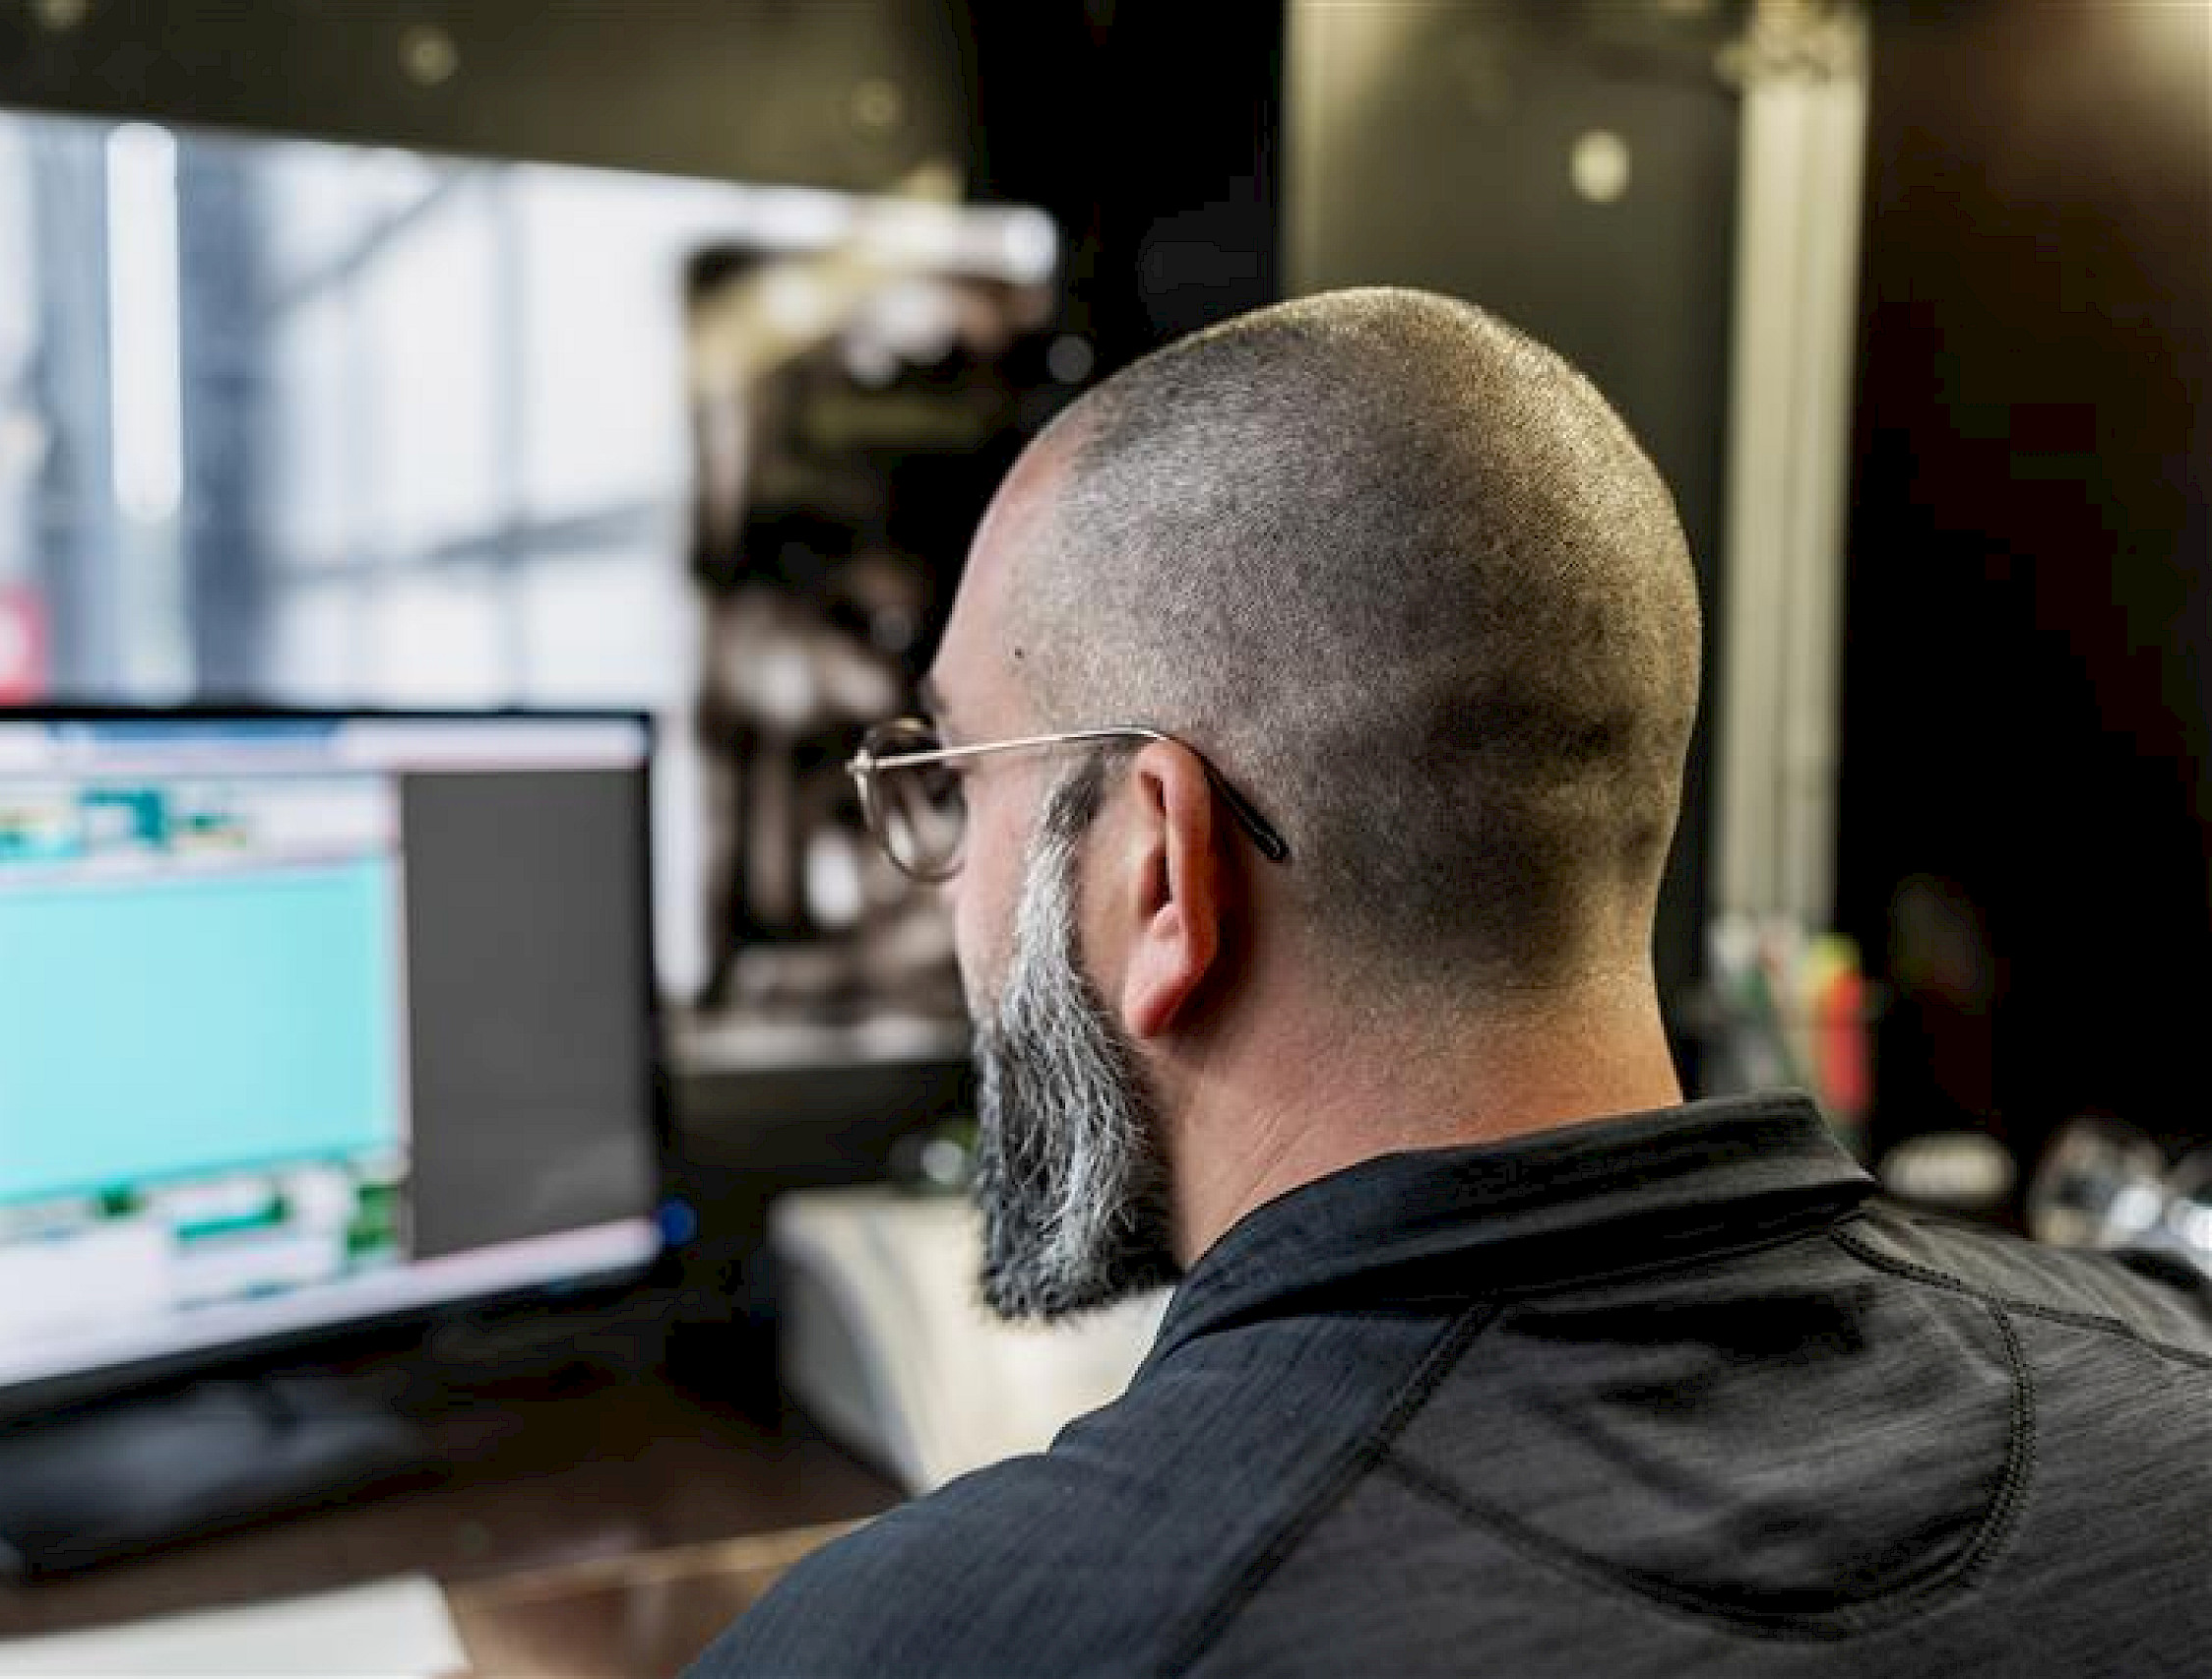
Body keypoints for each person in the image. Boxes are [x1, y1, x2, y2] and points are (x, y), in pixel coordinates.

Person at [686, 289, 2212, 1677]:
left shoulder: (906, 1648)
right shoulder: (2181, 1396)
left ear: (1157, 868)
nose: (944, 874)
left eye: (956, 781)